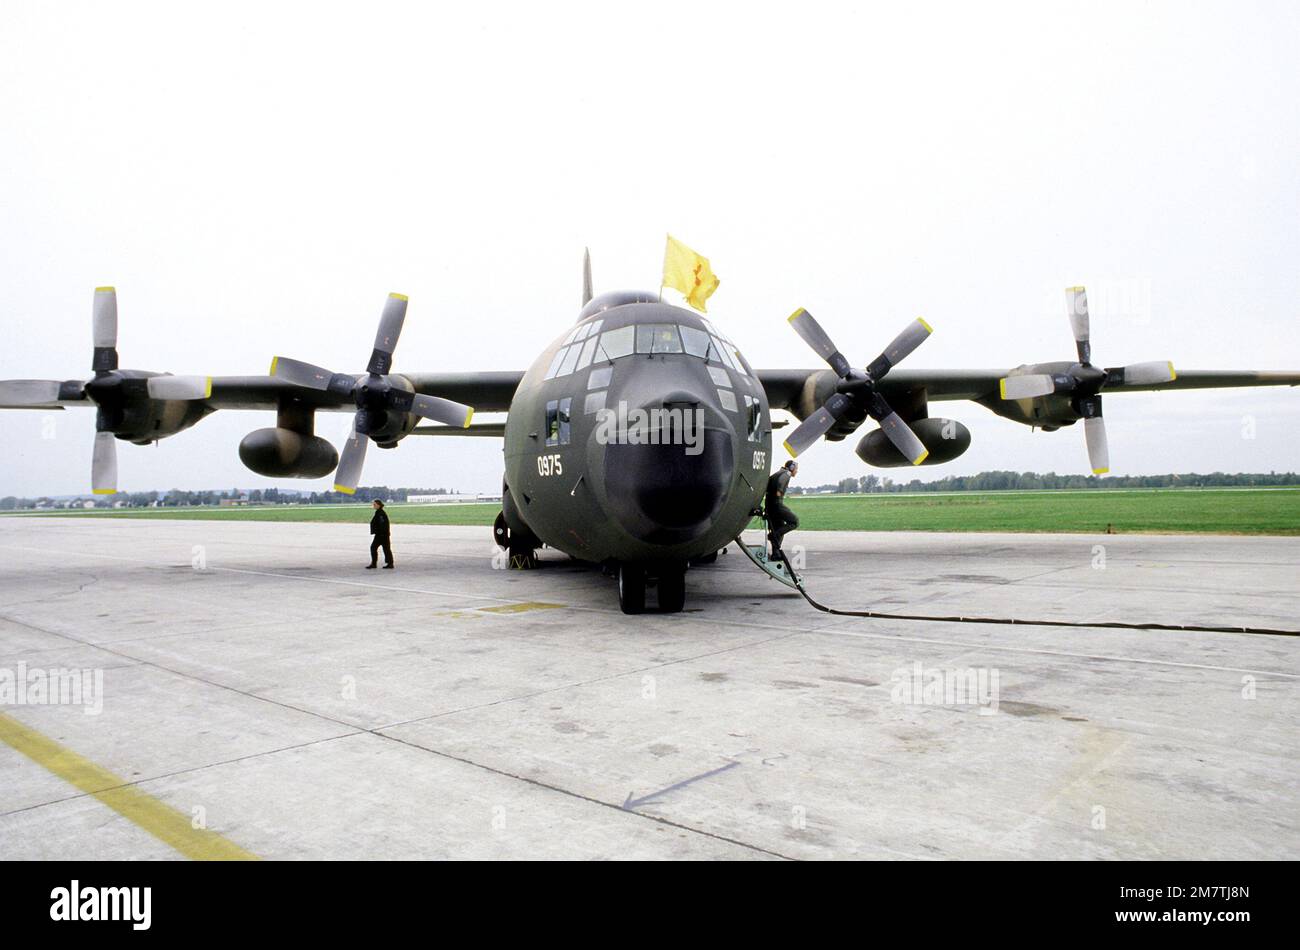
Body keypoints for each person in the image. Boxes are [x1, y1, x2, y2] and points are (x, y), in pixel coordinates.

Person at [765, 460, 799, 557]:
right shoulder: (786, 473)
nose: (796, 471)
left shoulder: (778, 473)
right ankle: (773, 536)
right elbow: (781, 481)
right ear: (792, 468)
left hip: (769, 506)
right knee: (794, 522)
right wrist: (779, 491)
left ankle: (776, 554)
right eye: (796, 469)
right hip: (776, 504)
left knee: (779, 528)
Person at [367, 499, 393, 569]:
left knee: (374, 547)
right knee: (386, 549)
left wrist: (381, 533)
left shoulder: (380, 513)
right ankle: (390, 563)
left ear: (378, 505)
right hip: (383, 534)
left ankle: (374, 564)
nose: (373, 506)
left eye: (374, 504)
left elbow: (382, 524)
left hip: (381, 535)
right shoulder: (379, 512)